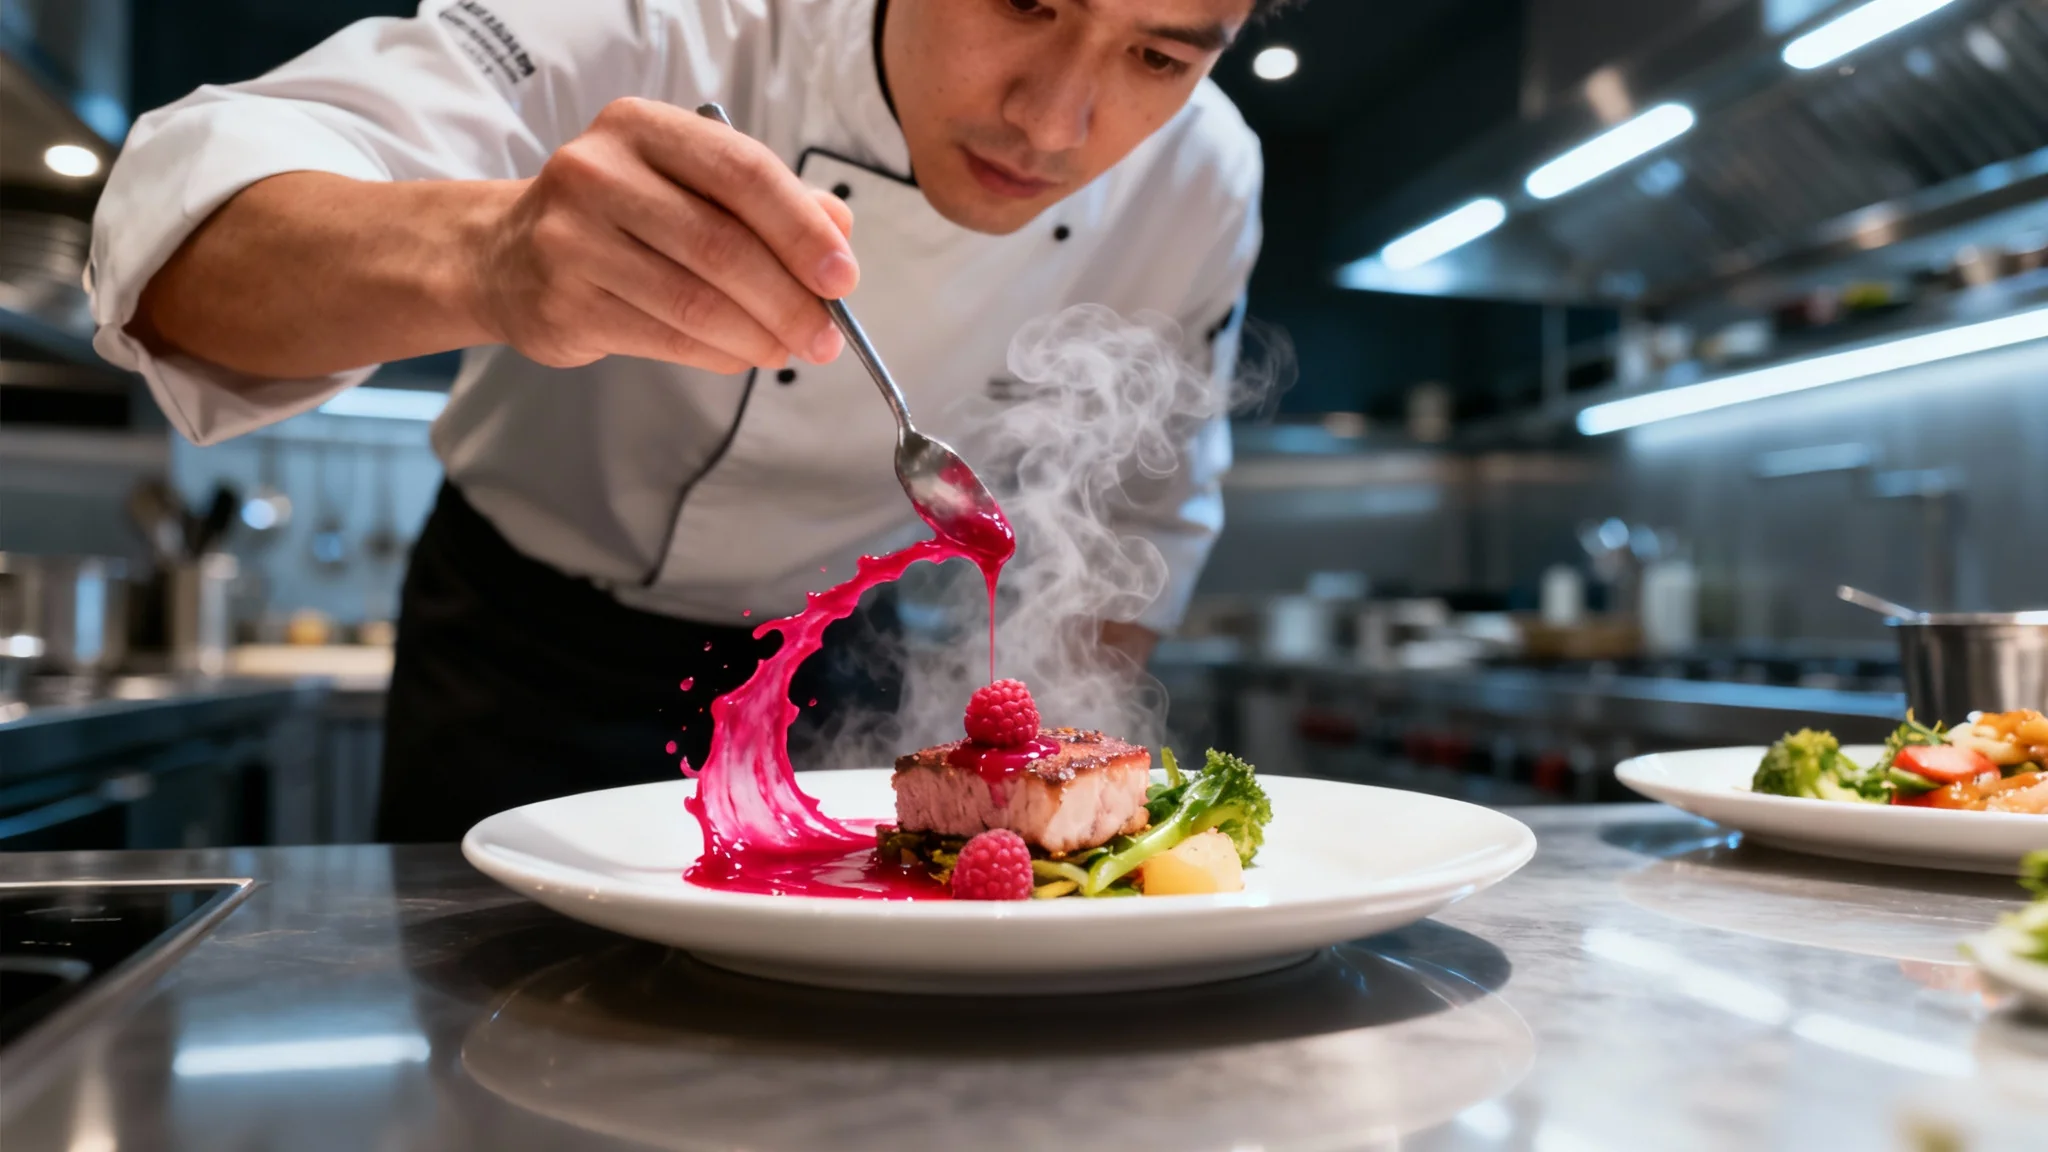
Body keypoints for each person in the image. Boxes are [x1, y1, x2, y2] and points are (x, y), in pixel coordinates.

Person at [88, 0, 1284, 842]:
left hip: (830, 666)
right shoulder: (670, 17)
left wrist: (1059, 825)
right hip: (520, 647)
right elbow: (179, 244)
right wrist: (491, 255)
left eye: (1156, 55)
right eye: (1022, 2)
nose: (1052, 121)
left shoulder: (1204, 182)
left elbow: (1143, 519)